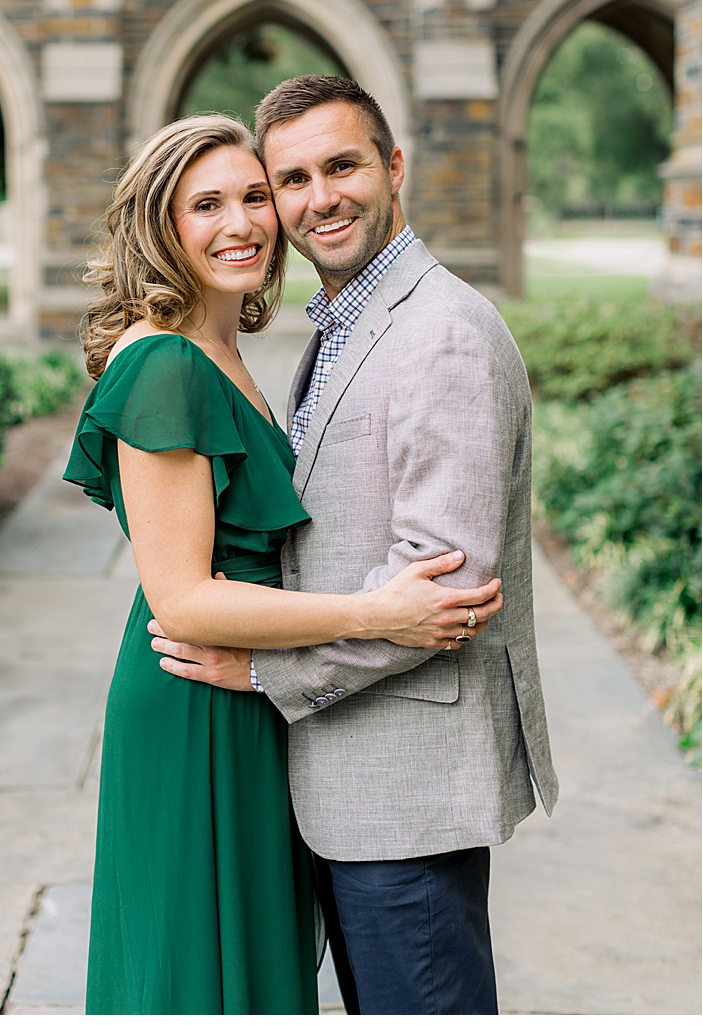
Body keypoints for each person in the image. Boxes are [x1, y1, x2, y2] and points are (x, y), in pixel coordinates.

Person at [63, 113, 505, 1013]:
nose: (243, 224)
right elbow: (181, 598)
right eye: (206, 205)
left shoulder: (230, 350)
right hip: (196, 703)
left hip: (258, 693)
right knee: (201, 971)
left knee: (257, 969)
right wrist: (372, 612)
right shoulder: (163, 364)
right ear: (162, 224)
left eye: (255, 196)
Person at [149, 77, 558, 1014]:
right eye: (291, 179)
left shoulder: (439, 334)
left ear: (394, 167)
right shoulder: (344, 324)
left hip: (402, 786)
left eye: (343, 166)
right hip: (346, 775)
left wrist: (261, 671)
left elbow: (443, 590)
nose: (318, 197)